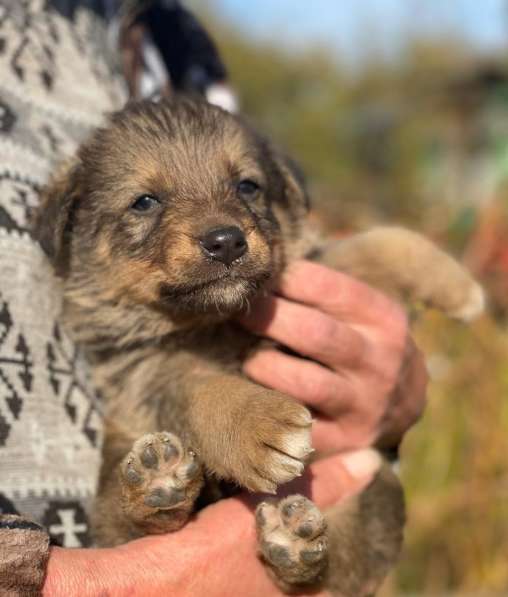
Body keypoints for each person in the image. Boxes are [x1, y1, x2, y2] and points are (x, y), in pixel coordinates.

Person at [0, 2, 427, 595]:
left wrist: (393, 394)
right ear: (66, 229)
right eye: (145, 204)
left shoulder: (176, 37)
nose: (222, 228)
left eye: (243, 186)